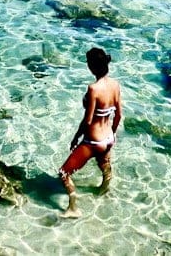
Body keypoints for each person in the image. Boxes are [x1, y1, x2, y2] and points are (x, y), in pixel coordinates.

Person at [59, 47, 122, 219]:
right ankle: (103, 191)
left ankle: (73, 208)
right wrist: (112, 135)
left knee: (63, 173)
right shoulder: (115, 85)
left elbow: (88, 121)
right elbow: (118, 115)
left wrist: (76, 137)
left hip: (93, 141)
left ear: (92, 67)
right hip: (108, 138)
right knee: (104, 166)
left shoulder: (93, 89)